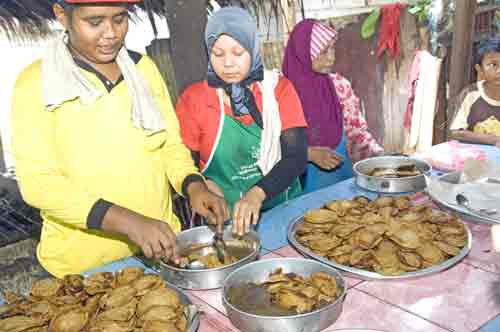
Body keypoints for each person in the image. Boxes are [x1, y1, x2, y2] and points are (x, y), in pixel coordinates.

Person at [10, 0, 228, 278]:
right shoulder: (36, 83)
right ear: (62, 16)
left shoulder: (143, 69)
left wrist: (193, 185)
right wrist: (127, 222)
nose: (111, 32)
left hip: (160, 249)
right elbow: (39, 184)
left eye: (119, 18)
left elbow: (169, 146)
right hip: (82, 268)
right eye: (94, 22)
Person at [176, 7, 308, 236]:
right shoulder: (194, 100)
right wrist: (203, 183)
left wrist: (257, 193)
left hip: (282, 208)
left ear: (254, 48)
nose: (228, 63)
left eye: (238, 52)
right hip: (224, 219)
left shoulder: (279, 91)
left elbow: (296, 157)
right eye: (218, 54)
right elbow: (185, 164)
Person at [282, 19, 383, 193]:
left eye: (332, 48)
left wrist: (381, 158)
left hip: (342, 184)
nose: (331, 57)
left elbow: (357, 133)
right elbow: (268, 146)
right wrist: (309, 154)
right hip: (299, 190)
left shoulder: (339, 86)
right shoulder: (280, 93)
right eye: (323, 52)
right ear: (303, 53)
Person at [449, 38, 500, 147]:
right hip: (476, 157)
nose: (499, 70)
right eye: (493, 65)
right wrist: (494, 140)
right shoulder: (471, 94)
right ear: (480, 69)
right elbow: (457, 132)